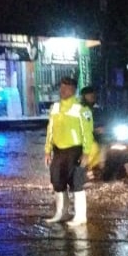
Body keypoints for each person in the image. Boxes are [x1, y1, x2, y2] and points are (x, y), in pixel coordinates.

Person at [44, 77, 94, 226]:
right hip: (58, 151)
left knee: (76, 183)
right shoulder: (55, 108)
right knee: (57, 182)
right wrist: (47, 150)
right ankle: (61, 213)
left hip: (75, 150)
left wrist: (86, 153)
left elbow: (88, 133)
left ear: (73, 90)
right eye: (61, 87)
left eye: (66, 88)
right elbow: (50, 130)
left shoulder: (81, 109)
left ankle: (80, 216)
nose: (62, 91)